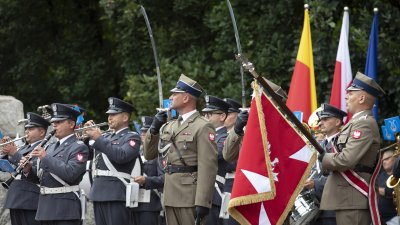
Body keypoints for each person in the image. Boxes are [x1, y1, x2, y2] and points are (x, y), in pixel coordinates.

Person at [143, 74, 218, 225]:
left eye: (175, 94)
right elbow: (149, 154)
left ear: (186, 98)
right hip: (170, 193)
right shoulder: (170, 125)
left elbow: (207, 166)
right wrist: (154, 129)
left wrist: (203, 201)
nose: (171, 97)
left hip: (189, 195)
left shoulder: (202, 126)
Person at [319, 72, 385, 225]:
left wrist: (325, 158)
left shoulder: (364, 123)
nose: (346, 96)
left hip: (353, 196)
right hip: (347, 197)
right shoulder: (355, 123)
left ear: (361, 98)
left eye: (350, 93)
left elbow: (346, 159)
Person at [222, 79, 287, 225]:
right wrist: (237, 129)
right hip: (248, 193)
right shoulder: (247, 129)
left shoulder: (285, 129)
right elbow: (228, 155)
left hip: (274, 195)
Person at [27, 103, 89, 225]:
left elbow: (70, 173)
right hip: (45, 209)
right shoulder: (50, 147)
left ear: (71, 124)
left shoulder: (79, 147)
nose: (54, 124)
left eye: (59, 122)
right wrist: (28, 169)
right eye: (54, 122)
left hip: (65, 209)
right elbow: (41, 177)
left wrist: (46, 157)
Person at [84, 97, 141, 225]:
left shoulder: (132, 137)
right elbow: (89, 155)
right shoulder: (106, 136)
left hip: (116, 193)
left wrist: (98, 137)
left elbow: (121, 156)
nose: (109, 118)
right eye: (109, 115)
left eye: (114, 114)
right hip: (98, 192)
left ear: (125, 117)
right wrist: (85, 139)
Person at [1, 112, 50, 225]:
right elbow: (11, 165)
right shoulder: (24, 147)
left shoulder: (46, 147)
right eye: (26, 128)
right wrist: (6, 150)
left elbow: (37, 169)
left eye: (31, 129)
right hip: (16, 199)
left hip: (31, 200)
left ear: (42, 132)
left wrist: (14, 153)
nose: (26, 131)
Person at [304, 103, 346, 225]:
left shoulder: (342, 144)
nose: (320, 123)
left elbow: (342, 175)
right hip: (316, 208)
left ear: (337, 122)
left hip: (334, 209)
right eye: (320, 120)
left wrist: (315, 183)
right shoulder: (320, 145)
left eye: (325, 119)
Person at [202, 95, 231, 225]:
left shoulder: (224, 138)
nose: (206, 116)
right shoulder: (207, 136)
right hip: (201, 191)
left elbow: (213, 155)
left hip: (214, 192)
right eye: (205, 113)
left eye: (210, 113)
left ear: (222, 116)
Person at [131, 116, 165, 225]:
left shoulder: (160, 154)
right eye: (142, 131)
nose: (143, 134)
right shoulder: (136, 152)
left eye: (147, 131)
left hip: (150, 204)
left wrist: (146, 180)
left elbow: (164, 178)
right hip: (133, 201)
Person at [377, 149, 400, 225]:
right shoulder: (380, 175)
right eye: (382, 160)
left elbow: (391, 192)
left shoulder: (398, 174)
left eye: (387, 159)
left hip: (395, 218)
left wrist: (375, 189)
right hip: (379, 219)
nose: (383, 162)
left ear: (395, 157)